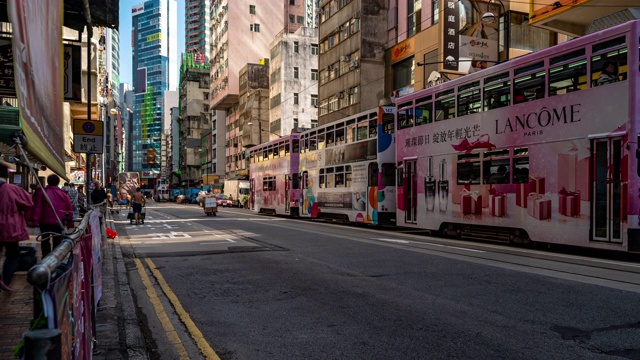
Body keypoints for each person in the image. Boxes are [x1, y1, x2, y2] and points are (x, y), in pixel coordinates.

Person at [0, 163, 33, 291]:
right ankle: (6, 280)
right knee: (13, 255)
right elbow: (28, 201)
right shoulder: (11, 189)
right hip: (8, 227)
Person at [33, 174, 74, 258]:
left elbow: (37, 208)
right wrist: (70, 222)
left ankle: (45, 258)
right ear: (58, 182)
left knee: (45, 239)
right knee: (57, 240)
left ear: (48, 181)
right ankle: (55, 258)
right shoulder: (63, 194)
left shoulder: (42, 192)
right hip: (58, 221)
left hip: (44, 221)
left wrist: (35, 220)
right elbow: (69, 208)